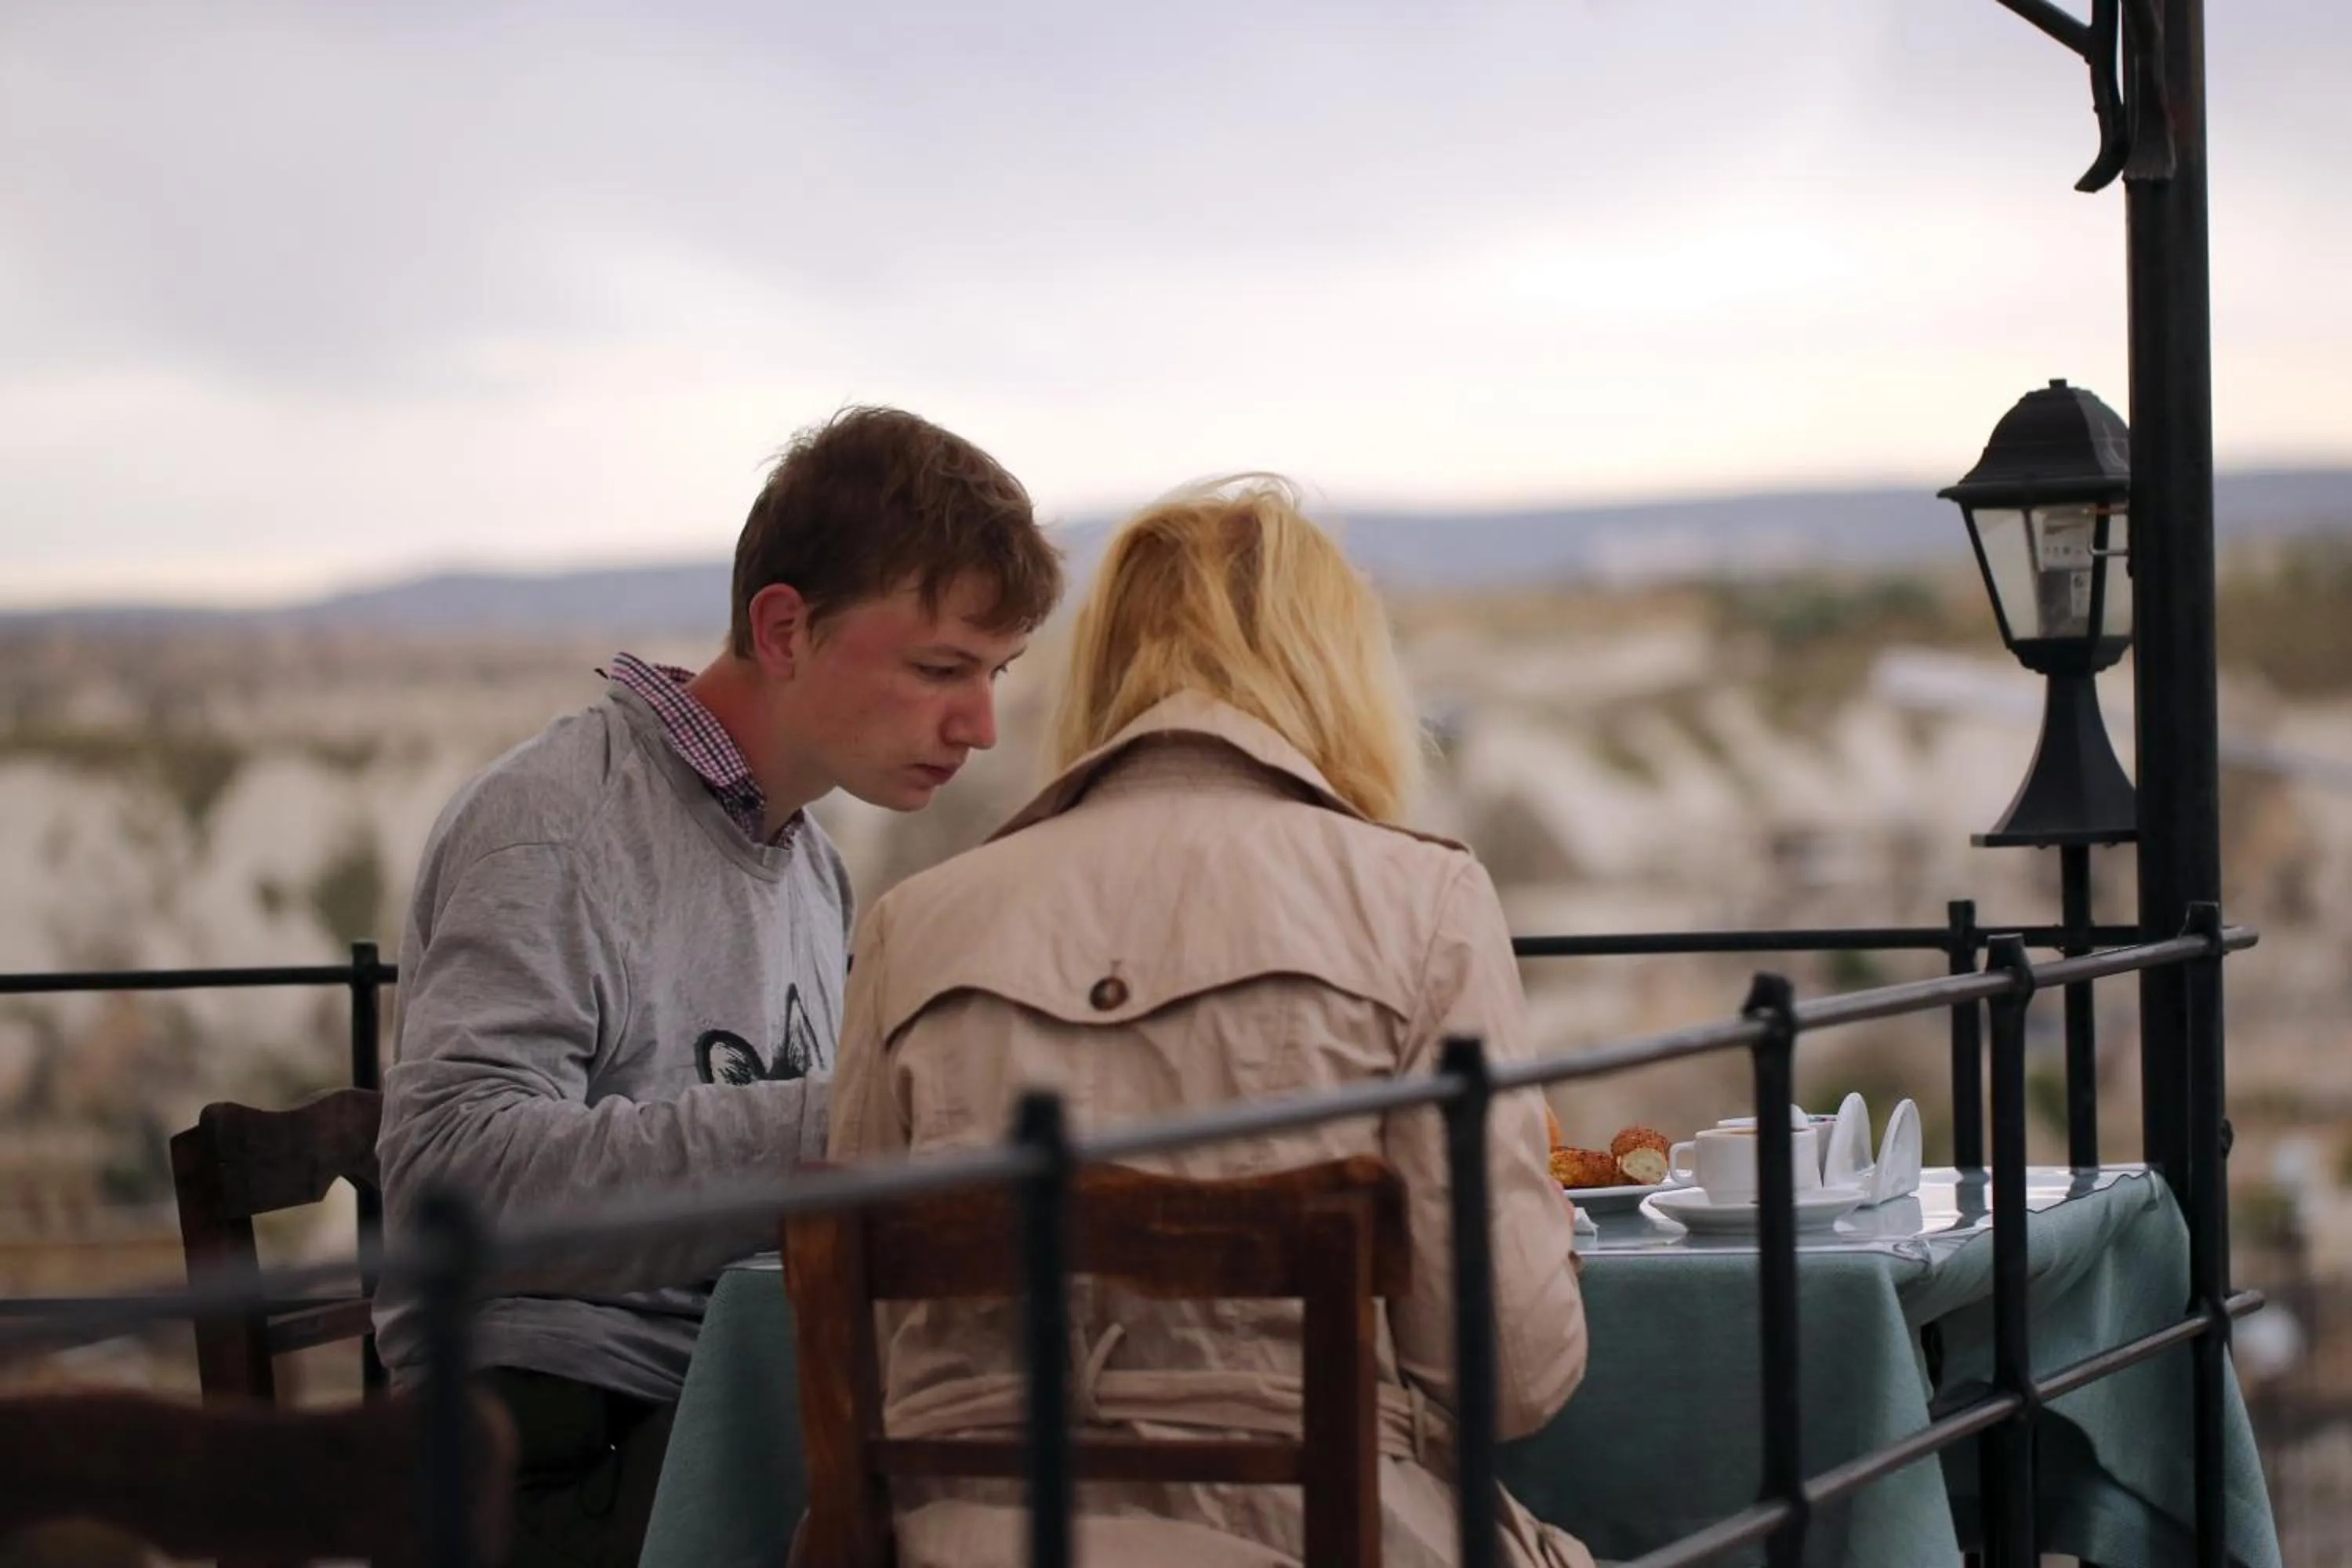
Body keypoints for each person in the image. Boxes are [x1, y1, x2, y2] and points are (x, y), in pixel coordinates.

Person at [827, 477, 1593, 1568]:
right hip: (1318, 1536)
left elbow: (859, 1332)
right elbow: (1511, 1375)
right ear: (1335, 668)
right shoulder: (1419, 903)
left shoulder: (914, 925)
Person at [372, 406, 1064, 1568]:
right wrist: (850, 1119)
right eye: (941, 668)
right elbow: (454, 1183)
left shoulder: (810, 868)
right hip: (560, 1446)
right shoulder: (554, 823)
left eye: (994, 674)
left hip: (735, 1398)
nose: (980, 725)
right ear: (786, 628)